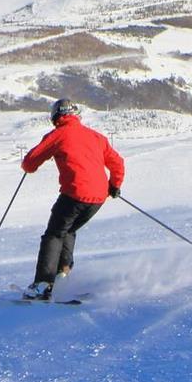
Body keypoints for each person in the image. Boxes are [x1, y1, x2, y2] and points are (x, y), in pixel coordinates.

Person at [20, 99, 125, 300]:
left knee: (53, 235)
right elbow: (117, 163)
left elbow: (30, 163)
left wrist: (28, 167)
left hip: (75, 193)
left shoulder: (58, 135)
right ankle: (63, 273)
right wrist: (114, 185)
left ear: (55, 117)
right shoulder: (96, 137)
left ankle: (43, 284)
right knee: (68, 229)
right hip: (97, 198)